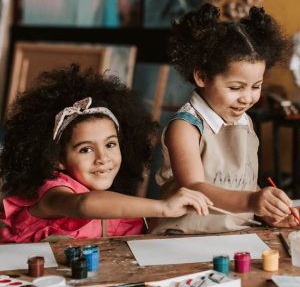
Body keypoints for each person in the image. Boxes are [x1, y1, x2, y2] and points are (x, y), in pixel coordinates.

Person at [0, 64, 212, 243]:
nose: (102, 158)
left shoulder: (116, 203)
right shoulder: (54, 194)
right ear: (58, 159)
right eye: (86, 149)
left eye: (110, 144)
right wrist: (163, 207)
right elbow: (83, 205)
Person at [150, 3, 298, 234]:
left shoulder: (244, 121)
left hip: (236, 237)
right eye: (236, 87)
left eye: (256, 86)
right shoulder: (186, 127)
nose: (247, 98)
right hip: (184, 240)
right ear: (202, 76)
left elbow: (241, 184)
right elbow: (195, 188)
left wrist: (268, 211)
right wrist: (252, 200)